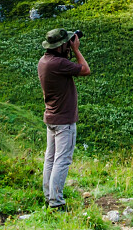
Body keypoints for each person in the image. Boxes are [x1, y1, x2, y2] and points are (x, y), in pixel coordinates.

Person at [38, 27, 91, 211]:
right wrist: (76, 49)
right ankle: (56, 203)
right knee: (62, 160)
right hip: (64, 121)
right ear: (60, 46)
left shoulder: (44, 61)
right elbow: (85, 70)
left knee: (50, 159)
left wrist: (68, 50)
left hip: (51, 118)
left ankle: (49, 196)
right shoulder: (59, 64)